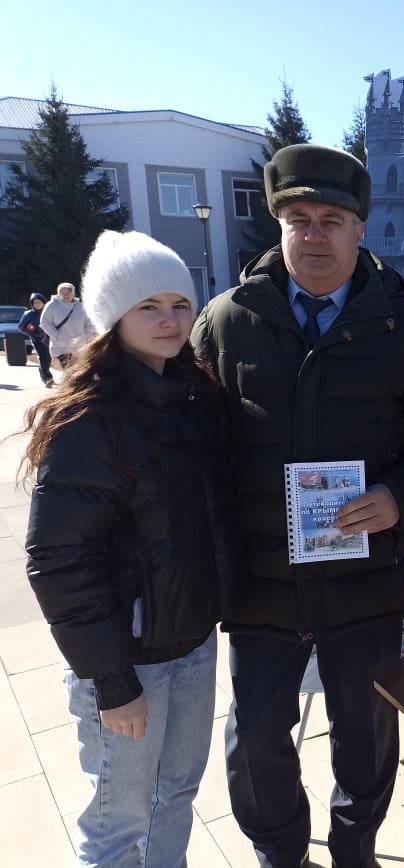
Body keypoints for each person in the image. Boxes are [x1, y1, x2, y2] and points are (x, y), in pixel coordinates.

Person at [192, 143, 404, 868]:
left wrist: (397, 496)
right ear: (278, 227)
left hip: (364, 575)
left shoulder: (403, 329)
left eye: (330, 219)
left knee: (365, 729)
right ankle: (281, 850)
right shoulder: (227, 322)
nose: (313, 234)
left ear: (359, 231)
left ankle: (355, 848)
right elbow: (186, 441)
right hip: (259, 578)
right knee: (255, 732)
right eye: (297, 218)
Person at [22, 231, 245, 867]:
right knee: (119, 820)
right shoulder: (89, 417)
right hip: (130, 660)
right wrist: (113, 681)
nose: (170, 319)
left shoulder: (196, 396)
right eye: (149, 306)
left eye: (180, 303)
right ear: (113, 315)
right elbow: (60, 560)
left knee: (176, 793)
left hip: (193, 642)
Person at [40, 281, 96, 370]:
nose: (66, 295)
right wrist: (56, 335)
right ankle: (71, 383)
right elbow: (44, 322)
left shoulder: (81, 307)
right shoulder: (52, 306)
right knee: (69, 369)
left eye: (68, 293)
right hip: (61, 345)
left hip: (79, 345)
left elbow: (90, 323)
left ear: (73, 293)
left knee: (78, 370)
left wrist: (85, 337)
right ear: (59, 294)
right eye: (63, 293)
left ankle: (73, 383)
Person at [17, 291, 54, 386]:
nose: (37, 304)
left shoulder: (48, 312)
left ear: (43, 302)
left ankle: (46, 373)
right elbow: (20, 328)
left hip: (49, 338)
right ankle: (46, 378)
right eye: (35, 302)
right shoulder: (28, 314)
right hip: (37, 339)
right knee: (43, 358)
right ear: (32, 304)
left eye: (39, 302)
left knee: (48, 358)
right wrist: (31, 332)